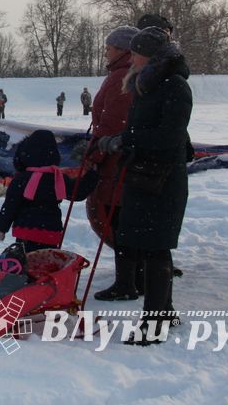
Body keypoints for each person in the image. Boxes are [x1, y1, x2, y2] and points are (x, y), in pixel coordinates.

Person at [96, 26, 192, 343]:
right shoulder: (144, 85)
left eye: (136, 52)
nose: (132, 57)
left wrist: (124, 140)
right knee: (150, 248)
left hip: (162, 179)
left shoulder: (174, 87)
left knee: (156, 251)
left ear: (149, 56)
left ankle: (154, 324)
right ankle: (164, 311)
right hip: (142, 174)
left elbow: (170, 136)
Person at [86, 25, 144, 302]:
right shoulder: (125, 74)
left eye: (109, 47)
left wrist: (94, 152)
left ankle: (128, 281)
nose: (106, 52)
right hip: (123, 158)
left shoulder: (122, 77)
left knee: (117, 217)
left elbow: (112, 121)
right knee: (123, 218)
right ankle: (136, 274)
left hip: (116, 160)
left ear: (122, 50)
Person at [0, 130, 98, 252]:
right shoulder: (57, 178)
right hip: (50, 231)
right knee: (46, 261)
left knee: (27, 260)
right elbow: (78, 193)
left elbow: (10, 204)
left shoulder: (21, 179)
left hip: (25, 229)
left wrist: (1, 227)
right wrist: (93, 175)